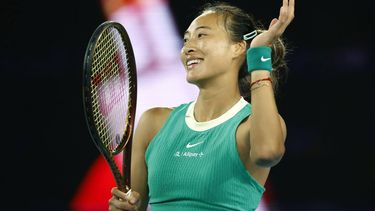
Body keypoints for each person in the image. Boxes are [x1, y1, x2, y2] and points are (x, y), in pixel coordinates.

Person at [109, 0, 295, 210]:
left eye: (201, 35)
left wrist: (259, 57)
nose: (188, 47)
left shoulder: (250, 126)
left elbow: (268, 152)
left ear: (238, 48)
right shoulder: (153, 123)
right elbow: (136, 204)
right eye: (186, 39)